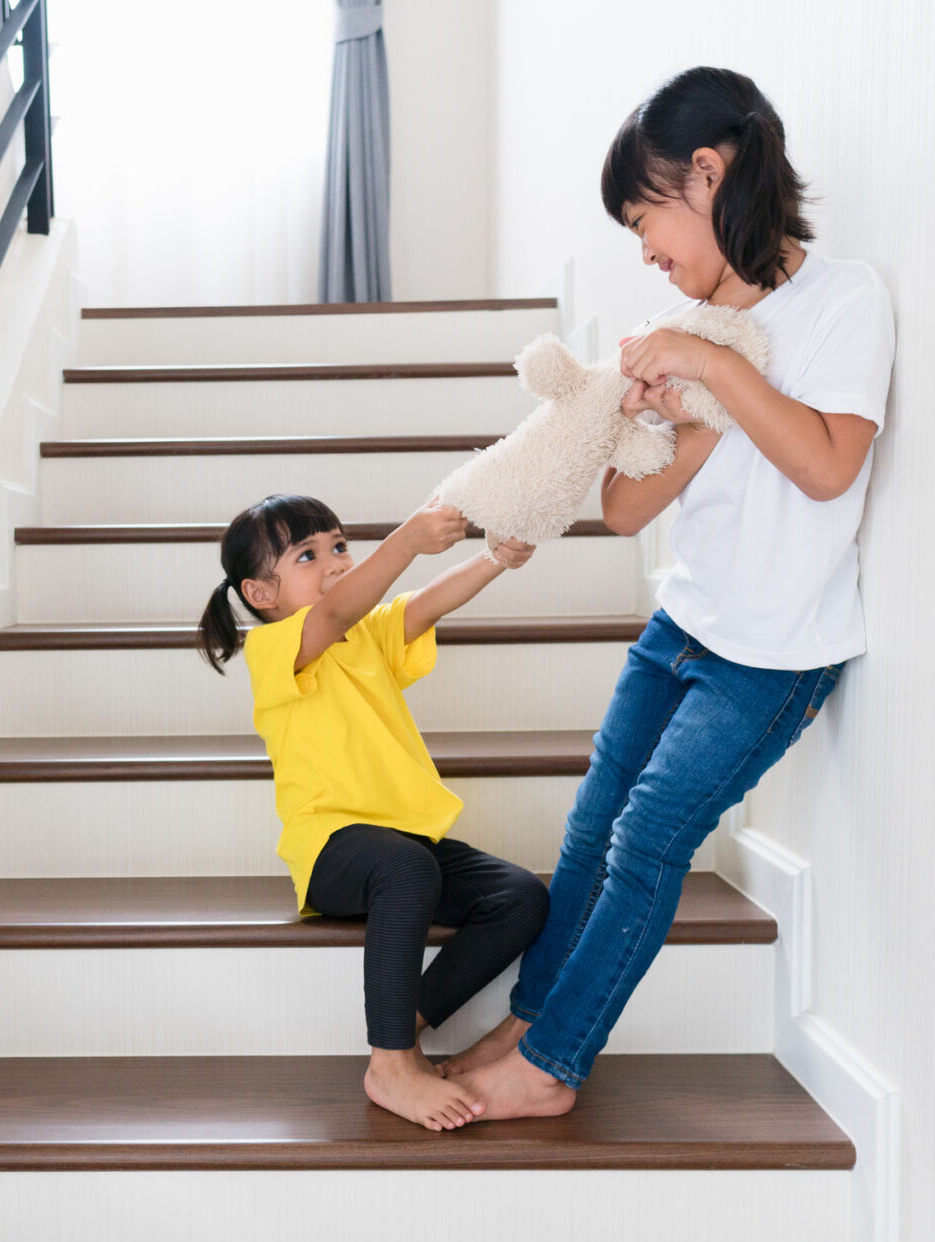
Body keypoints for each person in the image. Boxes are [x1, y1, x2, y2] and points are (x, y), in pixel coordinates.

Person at [445, 66, 897, 1118]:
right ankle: (529, 1020)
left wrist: (709, 363)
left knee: (648, 837)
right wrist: (683, 417)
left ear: (709, 170)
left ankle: (550, 1068)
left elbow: (828, 465)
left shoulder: (843, 301)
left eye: (645, 218)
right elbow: (618, 511)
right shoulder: (675, 319)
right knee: (591, 823)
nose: (644, 251)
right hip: (681, 624)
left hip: (775, 653)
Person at [198, 494, 548, 1131]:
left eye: (339, 546)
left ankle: (406, 1015)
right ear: (259, 592)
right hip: (332, 850)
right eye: (308, 555)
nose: (333, 561)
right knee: (407, 868)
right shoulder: (275, 647)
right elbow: (334, 609)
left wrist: (494, 557)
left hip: (401, 842)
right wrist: (408, 540)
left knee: (520, 896)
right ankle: (389, 1062)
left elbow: (424, 603)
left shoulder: (364, 635)